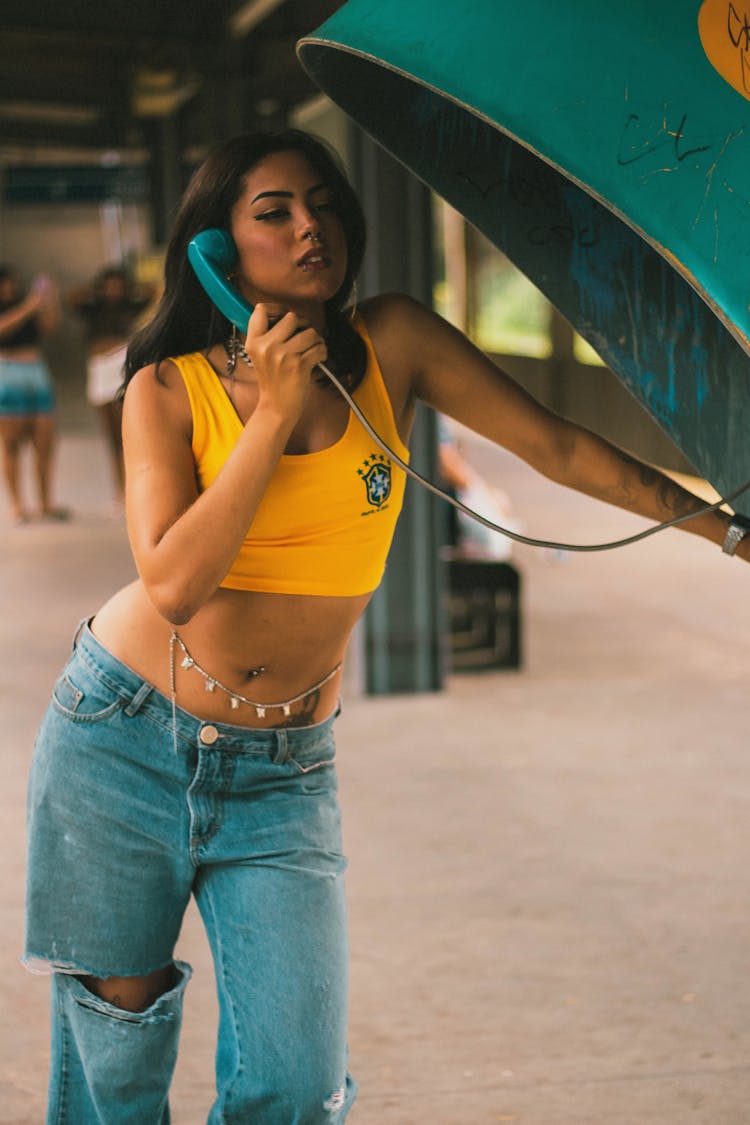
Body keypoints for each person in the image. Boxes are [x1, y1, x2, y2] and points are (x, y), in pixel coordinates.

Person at [23, 128, 750, 1124]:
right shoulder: (167, 388)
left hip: (282, 766)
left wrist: (727, 531)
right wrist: (270, 413)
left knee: (294, 1079)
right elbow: (177, 581)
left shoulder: (391, 342)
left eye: (320, 203)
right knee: (121, 1058)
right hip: (124, 741)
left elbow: (558, 447)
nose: (309, 225)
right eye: (273, 211)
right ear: (216, 249)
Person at [69, 266, 154, 508]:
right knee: (111, 435)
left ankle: (133, 487)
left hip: (119, 362)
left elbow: (152, 290)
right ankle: (120, 490)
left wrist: (130, 288)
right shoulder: (93, 308)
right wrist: (97, 291)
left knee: (128, 431)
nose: (114, 289)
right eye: (110, 284)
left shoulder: (129, 305)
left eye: (118, 284)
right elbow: (72, 298)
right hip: (98, 366)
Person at [0, 266, 68, 523]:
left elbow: (48, 326)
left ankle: (45, 501)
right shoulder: (21, 309)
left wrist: (50, 300)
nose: (9, 288)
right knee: (11, 444)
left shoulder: (24, 306)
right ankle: (17, 504)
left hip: (36, 372)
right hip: (7, 372)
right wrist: (28, 307)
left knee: (45, 442)